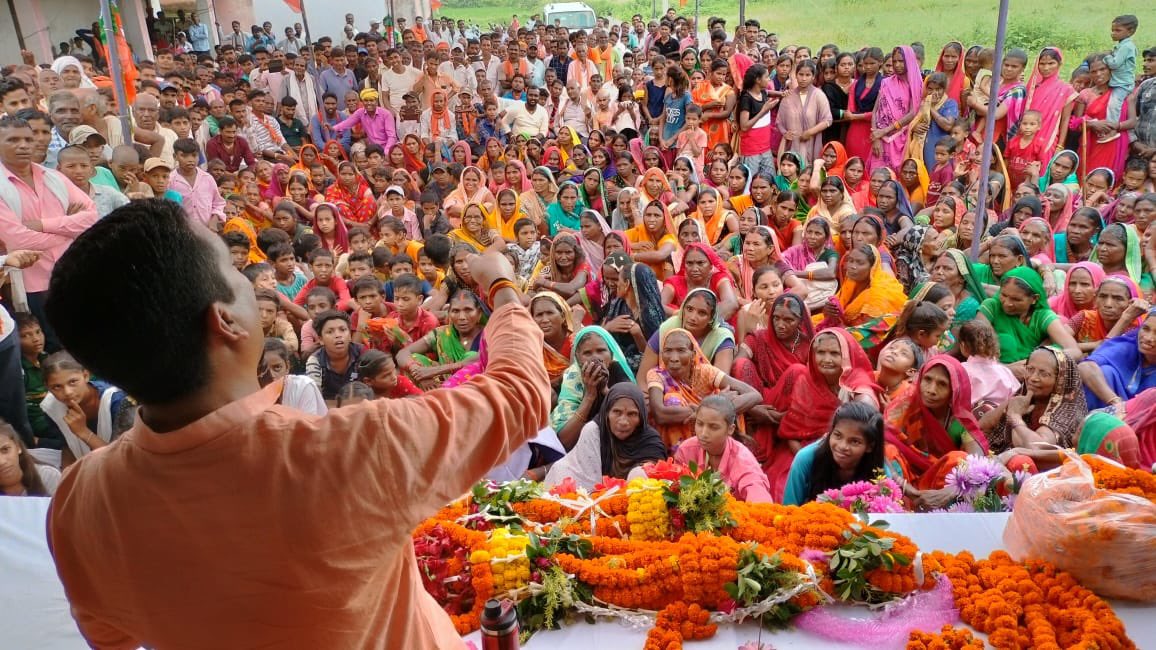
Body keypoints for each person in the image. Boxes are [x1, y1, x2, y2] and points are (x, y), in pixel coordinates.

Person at [44, 199, 550, 649]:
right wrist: (502, 285)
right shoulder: (344, 452)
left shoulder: (81, 503)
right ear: (226, 321)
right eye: (238, 274)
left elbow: (110, 637)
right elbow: (521, 393)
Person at [762, 327, 880, 500]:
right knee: (778, 484)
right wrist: (805, 457)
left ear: (847, 356)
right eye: (821, 352)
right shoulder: (806, 379)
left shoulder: (857, 385)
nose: (826, 359)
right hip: (801, 449)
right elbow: (791, 430)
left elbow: (867, 411)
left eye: (834, 353)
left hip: (846, 451)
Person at [884, 356, 989, 509]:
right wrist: (910, 491)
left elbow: (978, 465)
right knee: (888, 450)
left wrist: (950, 492)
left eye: (942, 384)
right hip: (905, 486)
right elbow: (881, 448)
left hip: (942, 488)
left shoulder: (960, 422)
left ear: (954, 390)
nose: (931, 390)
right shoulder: (904, 407)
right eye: (927, 379)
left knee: (959, 459)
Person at [645, 327, 760, 448]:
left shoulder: (705, 372)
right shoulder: (657, 375)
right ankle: (683, 457)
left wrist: (706, 411)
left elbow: (754, 395)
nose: (674, 358)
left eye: (681, 350)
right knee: (672, 400)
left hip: (711, 427)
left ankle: (726, 452)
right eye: (668, 351)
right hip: (683, 438)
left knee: (730, 402)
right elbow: (660, 414)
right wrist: (711, 406)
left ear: (693, 354)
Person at [544, 383, 666, 490]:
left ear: (641, 418)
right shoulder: (594, 431)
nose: (623, 421)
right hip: (592, 498)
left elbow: (657, 476)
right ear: (606, 413)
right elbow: (586, 478)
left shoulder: (650, 442)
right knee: (562, 469)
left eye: (632, 414)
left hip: (636, 505)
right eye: (617, 412)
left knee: (639, 475)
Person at [981, 347, 1087, 469]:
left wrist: (1015, 417)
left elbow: (1034, 448)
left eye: (1043, 373)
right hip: (1008, 465)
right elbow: (981, 426)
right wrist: (1011, 404)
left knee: (1020, 462)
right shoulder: (1026, 396)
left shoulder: (1067, 413)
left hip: (1042, 478)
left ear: (1060, 381)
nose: (1033, 378)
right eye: (1030, 369)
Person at [782, 401, 887, 506]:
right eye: (838, 435)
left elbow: (886, 511)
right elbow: (789, 509)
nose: (842, 446)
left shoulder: (879, 470)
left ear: (870, 447)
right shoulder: (806, 459)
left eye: (854, 441)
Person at [976, 266, 1082, 367]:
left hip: (1031, 372)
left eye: (1016, 299)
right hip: (993, 372)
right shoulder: (991, 306)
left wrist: (1034, 362)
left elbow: (1074, 351)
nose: (1007, 303)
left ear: (1034, 299)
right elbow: (978, 344)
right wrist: (1007, 370)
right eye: (1003, 295)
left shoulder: (1042, 316)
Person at [674, 395, 773, 502]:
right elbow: (675, 489)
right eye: (700, 424)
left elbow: (760, 501)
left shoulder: (742, 460)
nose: (703, 433)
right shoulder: (686, 450)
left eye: (713, 427)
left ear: (730, 429)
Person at [1080, 308, 1156, 409]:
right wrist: (1116, 403)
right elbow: (1085, 366)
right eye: (1145, 328)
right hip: (1115, 412)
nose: (1148, 338)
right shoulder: (1128, 347)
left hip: (1148, 419)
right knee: (1105, 372)